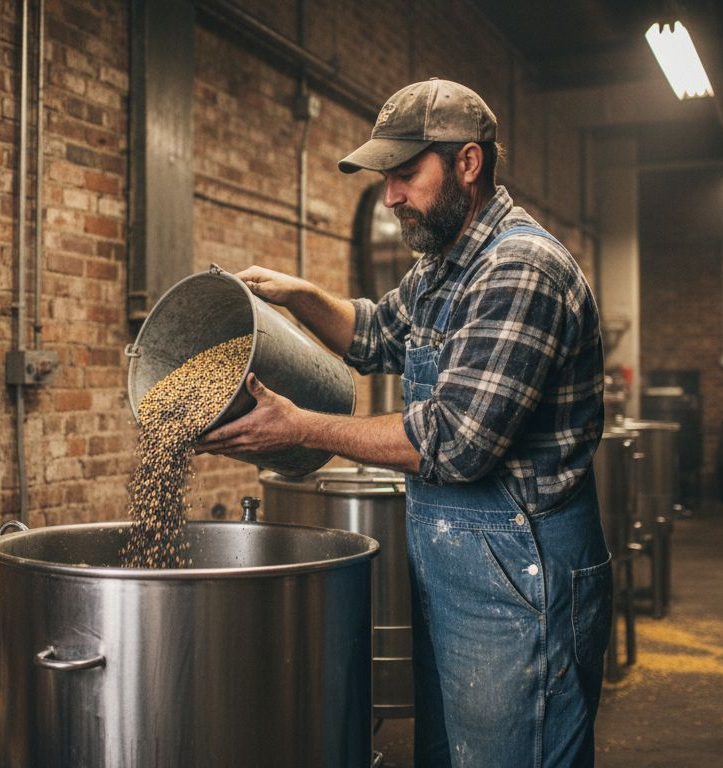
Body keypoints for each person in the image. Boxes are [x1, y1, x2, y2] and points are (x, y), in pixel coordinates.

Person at [197, 78, 610, 767]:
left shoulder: (518, 268)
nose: (390, 195)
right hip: (461, 574)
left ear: (469, 163)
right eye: (386, 177)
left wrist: (299, 426)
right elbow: (373, 333)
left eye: (404, 174)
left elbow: (454, 440)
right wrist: (299, 296)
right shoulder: (441, 268)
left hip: (523, 574)